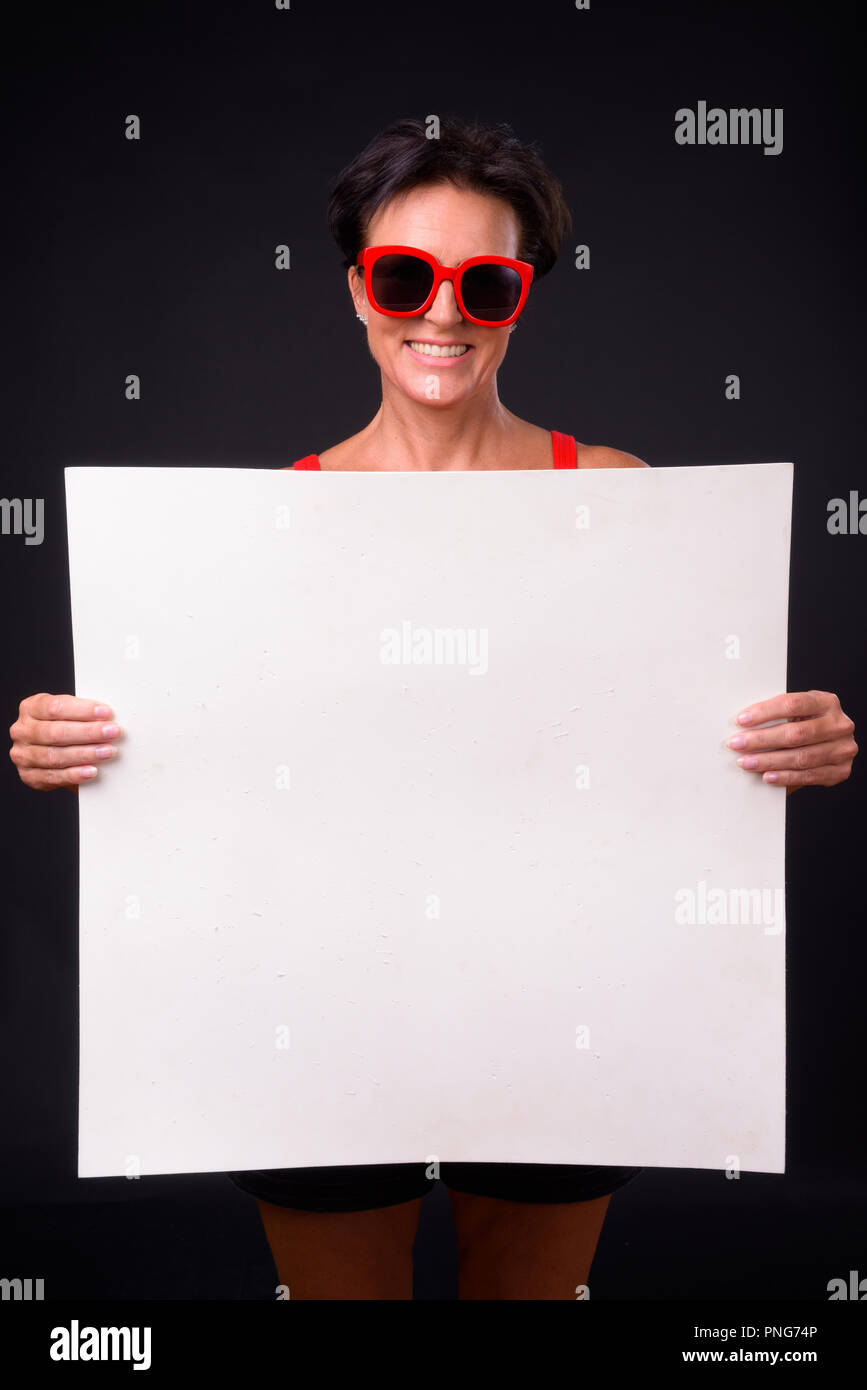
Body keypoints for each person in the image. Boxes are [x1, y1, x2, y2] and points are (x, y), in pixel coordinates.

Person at [9, 116, 858, 1300]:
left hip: (561, 1008)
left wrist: (798, 741)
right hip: (322, 1011)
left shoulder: (619, 502)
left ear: (522, 299)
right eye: (406, 276)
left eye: (486, 282)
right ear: (360, 289)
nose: (442, 313)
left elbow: (680, 754)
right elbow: (214, 781)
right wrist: (80, 745)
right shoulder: (262, 535)